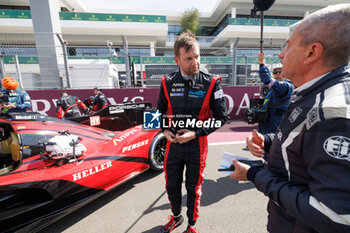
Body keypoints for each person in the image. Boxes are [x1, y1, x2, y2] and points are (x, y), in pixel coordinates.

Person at [230, 4, 350, 233]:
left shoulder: (333, 111)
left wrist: (256, 174)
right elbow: (306, 141)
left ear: (312, 52)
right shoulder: (312, 91)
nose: (282, 54)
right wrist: (269, 141)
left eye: (289, 44)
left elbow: (337, 217)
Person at [157, 31, 228, 233]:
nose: (195, 62)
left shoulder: (212, 83)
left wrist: (196, 133)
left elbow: (222, 117)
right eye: (189, 58)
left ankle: (192, 226)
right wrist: (164, 130)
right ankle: (176, 217)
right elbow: (158, 111)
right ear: (177, 60)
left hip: (197, 145)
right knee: (172, 185)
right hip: (173, 145)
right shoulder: (166, 82)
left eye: (197, 56)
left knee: (193, 189)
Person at [257, 52, 294, 134]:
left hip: (275, 125)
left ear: (286, 72)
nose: (277, 74)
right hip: (266, 123)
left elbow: (266, 79)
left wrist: (261, 63)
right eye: (275, 72)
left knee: (273, 144)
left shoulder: (285, 86)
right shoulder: (274, 88)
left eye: (280, 72)